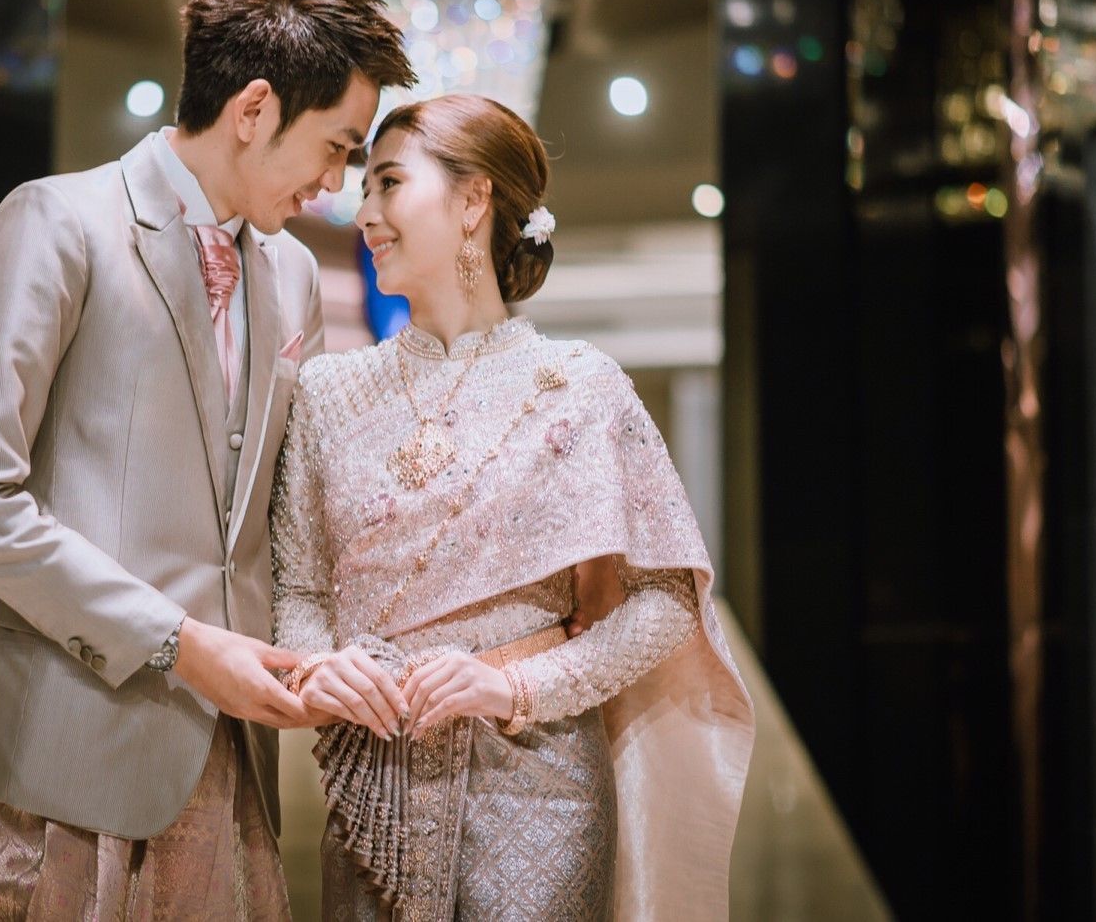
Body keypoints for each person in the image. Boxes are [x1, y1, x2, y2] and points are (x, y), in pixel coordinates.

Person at [0, 0, 416, 919]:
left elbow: (272, 521)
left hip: (233, 758)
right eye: (337, 145)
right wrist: (177, 643)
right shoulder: (59, 222)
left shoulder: (291, 276)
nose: (335, 181)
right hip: (66, 760)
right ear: (255, 109)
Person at [271, 94, 755, 920]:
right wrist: (323, 667)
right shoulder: (327, 392)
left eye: (389, 183)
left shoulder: (580, 386)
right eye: (365, 187)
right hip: (375, 788)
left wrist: (515, 687)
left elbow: (667, 600)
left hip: (540, 782)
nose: (366, 212)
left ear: (473, 200)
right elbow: (300, 591)